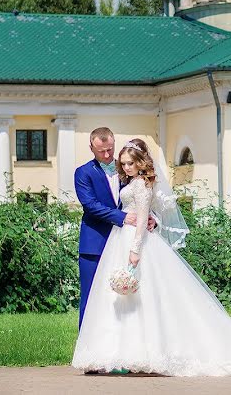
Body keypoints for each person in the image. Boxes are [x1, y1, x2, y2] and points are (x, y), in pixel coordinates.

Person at [72, 138, 231, 377]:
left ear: (138, 162)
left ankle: (144, 352)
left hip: (134, 241)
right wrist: (134, 222)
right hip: (118, 238)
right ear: (93, 147)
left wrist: (138, 244)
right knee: (120, 301)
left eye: (127, 161)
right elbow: (97, 205)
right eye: (122, 163)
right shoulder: (109, 176)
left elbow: (146, 209)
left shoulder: (140, 184)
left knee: (147, 299)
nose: (123, 166)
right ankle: (121, 353)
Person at [74, 127, 155, 328]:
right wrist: (123, 217)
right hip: (95, 243)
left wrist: (151, 219)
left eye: (110, 149)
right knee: (92, 296)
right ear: (91, 147)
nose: (108, 155)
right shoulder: (83, 173)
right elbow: (91, 205)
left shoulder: (128, 167)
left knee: (122, 297)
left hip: (124, 242)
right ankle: (86, 347)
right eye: (102, 151)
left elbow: (141, 199)